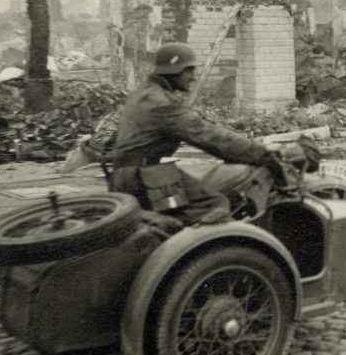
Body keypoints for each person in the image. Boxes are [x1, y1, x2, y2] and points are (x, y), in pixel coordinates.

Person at [110, 42, 273, 225]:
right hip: (143, 177)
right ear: (174, 70)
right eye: (189, 70)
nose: (193, 77)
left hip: (130, 175)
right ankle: (214, 251)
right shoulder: (161, 104)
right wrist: (262, 153)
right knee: (215, 203)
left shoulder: (144, 93)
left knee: (180, 208)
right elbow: (208, 136)